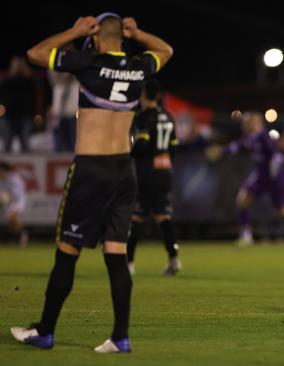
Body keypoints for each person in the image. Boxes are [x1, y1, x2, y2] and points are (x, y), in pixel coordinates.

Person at [10, 13, 172, 353]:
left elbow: (35, 54)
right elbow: (166, 50)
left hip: (91, 170)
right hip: (123, 170)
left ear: (96, 37)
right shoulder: (138, 65)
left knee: (66, 252)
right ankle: (120, 336)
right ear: (122, 37)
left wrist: (75, 30)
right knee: (116, 253)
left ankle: (45, 330)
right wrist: (139, 31)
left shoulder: (89, 61)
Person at [217, 110, 284, 246]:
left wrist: (274, 171)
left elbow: (277, 156)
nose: (244, 125)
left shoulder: (264, 136)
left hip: (273, 177)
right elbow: (237, 146)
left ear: (255, 122)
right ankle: (246, 236)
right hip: (260, 175)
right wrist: (221, 151)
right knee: (242, 200)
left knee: (281, 208)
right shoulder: (250, 136)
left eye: (247, 122)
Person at [127, 79, 181, 276]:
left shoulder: (142, 117)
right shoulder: (168, 116)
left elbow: (142, 144)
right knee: (163, 217)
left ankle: (129, 263)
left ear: (144, 95)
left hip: (146, 173)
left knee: (136, 217)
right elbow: (174, 146)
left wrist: (127, 154)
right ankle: (174, 260)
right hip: (164, 172)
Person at [0, 56, 38, 153]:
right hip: (9, 116)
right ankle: (4, 166)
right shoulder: (7, 80)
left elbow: (35, 89)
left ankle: (27, 166)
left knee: (25, 144)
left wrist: (26, 72)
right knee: (7, 144)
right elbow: (4, 89)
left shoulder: (29, 80)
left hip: (25, 116)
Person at [48, 44, 79, 152]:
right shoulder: (57, 68)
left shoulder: (79, 67)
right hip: (59, 111)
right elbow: (55, 79)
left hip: (74, 110)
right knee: (59, 142)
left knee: (73, 141)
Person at [0, 161, 28, 246]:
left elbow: (17, 194)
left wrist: (5, 196)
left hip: (18, 201)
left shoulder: (14, 179)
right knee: (11, 223)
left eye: (1, 170)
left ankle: (23, 235)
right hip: (8, 203)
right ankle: (17, 236)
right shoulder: (1, 180)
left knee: (13, 216)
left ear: (5, 170)